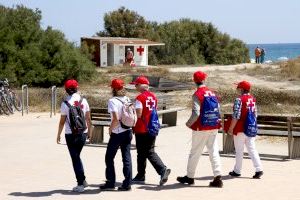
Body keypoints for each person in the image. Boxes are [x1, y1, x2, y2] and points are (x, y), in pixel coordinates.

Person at [177, 71, 223, 188]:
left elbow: (196, 113)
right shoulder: (212, 93)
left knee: (195, 152)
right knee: (213, 150)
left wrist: (189, 123)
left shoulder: (197, 94)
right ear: (204, 80)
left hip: (201, 127)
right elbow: (218, 109)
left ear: (194, 81)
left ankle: (190, 177)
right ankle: (218, 177)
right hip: (213, 125)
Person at [130, 76, 171, 186]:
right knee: (144, 152)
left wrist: (131, 110)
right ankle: (140, 175)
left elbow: (138, 114)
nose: (135, 86)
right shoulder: (153, 97)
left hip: (142, 128)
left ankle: (162, 169)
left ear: (142, 85)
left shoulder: (139, 98)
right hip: (152, 127)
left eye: (136, 84)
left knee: (146, 152)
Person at [56, 79, 91, 193]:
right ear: (77, 88)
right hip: (83, 133)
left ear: (66, 89)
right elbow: (88, 118)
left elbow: (62, 121)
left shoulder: (65, 103)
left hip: (70, 134)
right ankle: (83, 180)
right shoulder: (83, 100)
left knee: (75, 158)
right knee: (77, 157)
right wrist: (89, 132)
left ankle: (80, 184)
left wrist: (58, 134)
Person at [100, 79, 133, 191]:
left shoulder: (112, 101)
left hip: (118, 132)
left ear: (113, 89)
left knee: (109, 157)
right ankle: (127, 183)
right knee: (126, 157)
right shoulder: (127, 99)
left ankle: (110, 182)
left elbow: (115, 118)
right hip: (128, 131)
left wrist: (110, 130)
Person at [227, 81, 263, 179]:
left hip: (240, 128)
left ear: (242, 89)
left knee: (239, 150)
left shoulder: (239, 99)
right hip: (250, 127)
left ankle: (237, 171)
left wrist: (231, 128)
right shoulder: (253, 99)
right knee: (252, 149)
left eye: (238, 88)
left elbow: (236, 116)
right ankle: (259, 169)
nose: (237, 89)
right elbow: (255, 114)